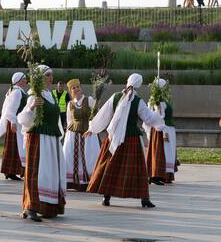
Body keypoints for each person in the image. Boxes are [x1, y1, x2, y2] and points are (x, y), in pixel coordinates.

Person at [84, 73, 165, 208]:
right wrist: (160, 119)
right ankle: (144, 199)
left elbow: (103, 115)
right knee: (138, 169)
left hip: (114, 138)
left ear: (127, 82)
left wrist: (92, 128)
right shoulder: (138, 101)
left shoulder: (115, 97)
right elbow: (149, 118)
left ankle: (106, 197)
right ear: (139, 84)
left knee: (111, 165)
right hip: (131, 139)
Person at [18, 65, 66, 222]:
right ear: (39, 78)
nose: (51, 78)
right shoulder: (34, 95)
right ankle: (31, 207)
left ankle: (48, 207)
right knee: (36, 173)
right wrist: (32, 106)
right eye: (47, 75)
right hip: (38, 139)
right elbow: (23, 119)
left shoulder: (49, 95)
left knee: (49, 174)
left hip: (51, 139)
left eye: (51, 75)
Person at [62, 79, 100, 192]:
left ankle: (90, 181)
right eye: (74, 88)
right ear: (70, 91)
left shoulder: (89, 100)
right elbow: (69, 121)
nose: (76, 89)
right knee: (70, 156)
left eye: (78, 87)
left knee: (89, 155)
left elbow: (96, 115)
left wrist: (93, 128)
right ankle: (72, 181)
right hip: (73, 134)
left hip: (87, 134)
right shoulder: (70, 104)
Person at [144, 78, 177, 185]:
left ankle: (164, 175)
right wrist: (161, 128)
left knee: (167, 152)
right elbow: (158, 116)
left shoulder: (162, 99)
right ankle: (156, 174)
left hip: (167, 128)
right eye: (164, 87)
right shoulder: (157, 100)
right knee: (162, 151)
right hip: (162, 129)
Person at [0, 72, 28, 181]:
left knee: (15, 148)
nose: (26, 81)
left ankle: (11, 171)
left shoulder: (16, 91)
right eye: (24, 79)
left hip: (16, 123)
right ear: (18, 80)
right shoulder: (17, 92)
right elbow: (11, 109)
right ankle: (10, 171)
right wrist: (13, 123)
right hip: (15, 124)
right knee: (15, 148)